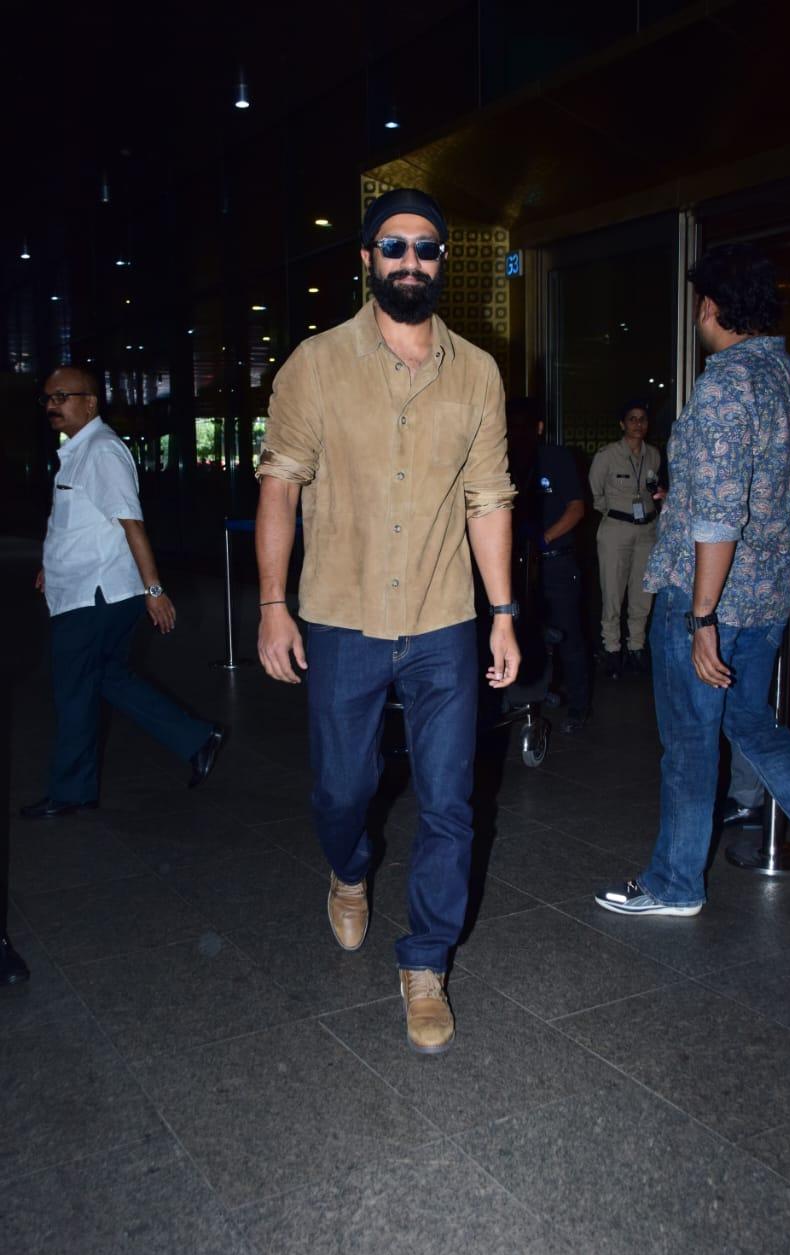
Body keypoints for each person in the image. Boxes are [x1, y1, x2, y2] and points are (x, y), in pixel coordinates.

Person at [255, 188, 519, 1054]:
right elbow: (279, 489)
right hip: (340, 613)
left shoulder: (477, 371)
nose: (413, 262)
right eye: (395, 247)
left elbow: (487, 499)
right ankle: (349, 867)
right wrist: (271, 605)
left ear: (444, 261)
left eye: (429, 249)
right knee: (343, 790)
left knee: (450, 802)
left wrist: (504, 615)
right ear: (365, 258)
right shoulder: (314, 365)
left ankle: (426, 960)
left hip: (444, 618)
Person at [594, 244, 790, 930]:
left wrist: (701, 616)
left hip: (707, 600)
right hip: (767, 599)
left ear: (709, 306)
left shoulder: (724, 385)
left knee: (688, 741)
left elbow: (717, 514)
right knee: (750, 728)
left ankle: (675, 882)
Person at [21, 367, 224, 820]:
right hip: (86, 588)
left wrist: (154, 590)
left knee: (74, 689)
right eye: (47, 398)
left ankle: (72, 791)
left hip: (96, 596)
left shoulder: (102, 450)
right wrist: (49, 566)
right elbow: (82, 522)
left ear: (90, 402)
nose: (52, 405)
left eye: (62, 397)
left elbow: (130, 522)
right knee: (107, 676)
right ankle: (195, 738)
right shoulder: (78, 451)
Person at [506, 397, 589, 732]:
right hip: (520, 568)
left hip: (556, 563)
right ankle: (524, 699)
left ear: (539, 427)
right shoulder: (505, 461)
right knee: (522, 634)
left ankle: (579, 708)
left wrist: (545, 538)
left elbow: (576, 508)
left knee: (568, 636)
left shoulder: (557, 458)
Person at [589, 400, 662, 678]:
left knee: (643, 592)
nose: (638, 424)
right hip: (616, 528)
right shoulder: (607, 456)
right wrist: (616, 513)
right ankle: (611, 649)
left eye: (642, 419)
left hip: (647, 531)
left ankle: (636, 647)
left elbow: (653, 488)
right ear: (622, 424)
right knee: (612, 592)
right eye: (632, 419)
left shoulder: (653, 455)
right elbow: (596, 495)